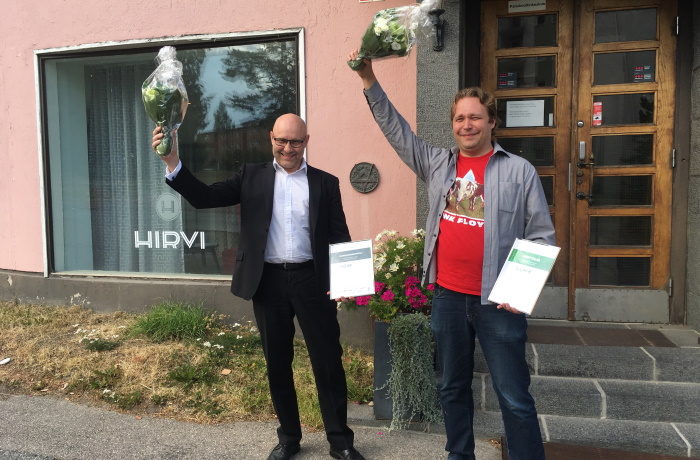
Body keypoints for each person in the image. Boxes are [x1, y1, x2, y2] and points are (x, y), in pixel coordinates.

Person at [349, 51, 554, 460]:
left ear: (492, 122)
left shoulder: (519, 171)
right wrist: (368, 78)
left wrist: (520, 291)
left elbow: (541, 237)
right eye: (460, 118)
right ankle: (459, 455)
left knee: (514, 395)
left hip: (498, 303)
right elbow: (397, 130)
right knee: (451, 387)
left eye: (475, 117)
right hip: (448, 296)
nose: (467, 125)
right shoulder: (438, 164)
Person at [151, 114, 365, 460]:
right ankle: (289, 439)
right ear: (271, 139)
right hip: (268, 281)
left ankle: (340, 441)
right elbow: (205, 197)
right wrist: (172, 161)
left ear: (306, 141)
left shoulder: (325, 182)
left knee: (328, 362)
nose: (288, 148)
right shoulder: (251, 176)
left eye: (295, 141)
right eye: (281, 140)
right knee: (277, 363)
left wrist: (348, 280)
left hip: (313, 280)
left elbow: (339, 234)